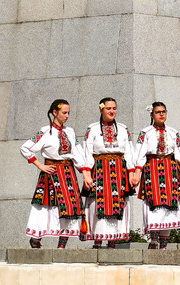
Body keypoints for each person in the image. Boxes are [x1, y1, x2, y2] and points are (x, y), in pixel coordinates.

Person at [19, 98, 84, 248]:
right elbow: (25, 148)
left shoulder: (70, 132)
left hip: (68, 174)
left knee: (70, 208)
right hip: (52, 173)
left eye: (68, 113)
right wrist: (39, 165)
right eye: (64, 113)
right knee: (47, 206)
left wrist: (84, 171)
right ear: (55, 112)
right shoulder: (45, 131)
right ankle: (36, 239)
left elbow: (77, 152)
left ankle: (62, 246)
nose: (67, 116)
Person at [132, 102, 180, 249]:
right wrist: (137, 172)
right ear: (152, 115)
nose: (161, 114)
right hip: (152, 170)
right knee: (154, 205)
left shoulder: (173, 132)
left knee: (170, 207)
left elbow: (179, 153)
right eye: (158, 112)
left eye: (163, 111)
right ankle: (154, 241)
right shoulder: (145, 132)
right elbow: (140, 153)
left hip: (170, 171)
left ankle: (164, 244)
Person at [77, 97, 134, 248]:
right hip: (99, 169)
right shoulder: (93, 128)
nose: (112, 111)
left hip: (119, 171)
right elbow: (87, 151)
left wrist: (131, 173)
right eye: (108, 108)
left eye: (114, 108)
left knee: (118, 204)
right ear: (101, 109)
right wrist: (87, 174)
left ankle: (112, 242)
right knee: (97, 204)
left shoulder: (123, 128)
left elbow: (129, 152)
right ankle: (97, 241)